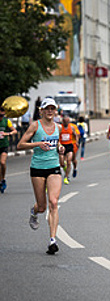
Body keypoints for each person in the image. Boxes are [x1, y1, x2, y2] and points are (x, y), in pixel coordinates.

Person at [17, 98, 64, 255]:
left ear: (55, 110)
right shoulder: (35, 126)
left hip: (54, 167)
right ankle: (34, 211)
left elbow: (58, 144)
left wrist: (60, 148)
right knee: (42, 206)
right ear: (41, 110)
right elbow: (20, 145)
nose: (50, 111)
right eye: (47, 108)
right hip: (37, 168)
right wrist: (37, 144)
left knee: (54, 202)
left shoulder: (59, 127)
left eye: (53, 108)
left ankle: (53, 240)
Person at [0, 106, 18, 193]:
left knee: (2, 162)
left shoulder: (6, 121)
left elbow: (15, 131)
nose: (1, 117)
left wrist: (8, 133)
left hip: (4, 145)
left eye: (2, 115)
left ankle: (3, 179)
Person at [59, 115, 80, 184]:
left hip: (69, 145)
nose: (67, 123)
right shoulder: (60, 127)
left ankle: (67, 176)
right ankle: (66, 170)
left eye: (68, 121)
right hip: (62, 146)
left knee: (69, 161)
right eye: (65, 121)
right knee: (62, 163)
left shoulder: (71, 127)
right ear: (63, 121)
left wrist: (76, 142)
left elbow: (76, 135)